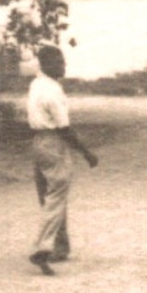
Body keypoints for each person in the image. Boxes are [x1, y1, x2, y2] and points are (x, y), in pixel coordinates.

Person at [27, 44, 98, 276]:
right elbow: (64, 129)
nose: (63, 66)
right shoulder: (52, 91)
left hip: (38, 142)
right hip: (53, 143)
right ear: (46, 65)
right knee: (56, 197)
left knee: (49, 196)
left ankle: (60, 246)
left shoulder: (37, 84)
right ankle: (43, 248)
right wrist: (86, 153)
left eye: (63, 61)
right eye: (59, 62)